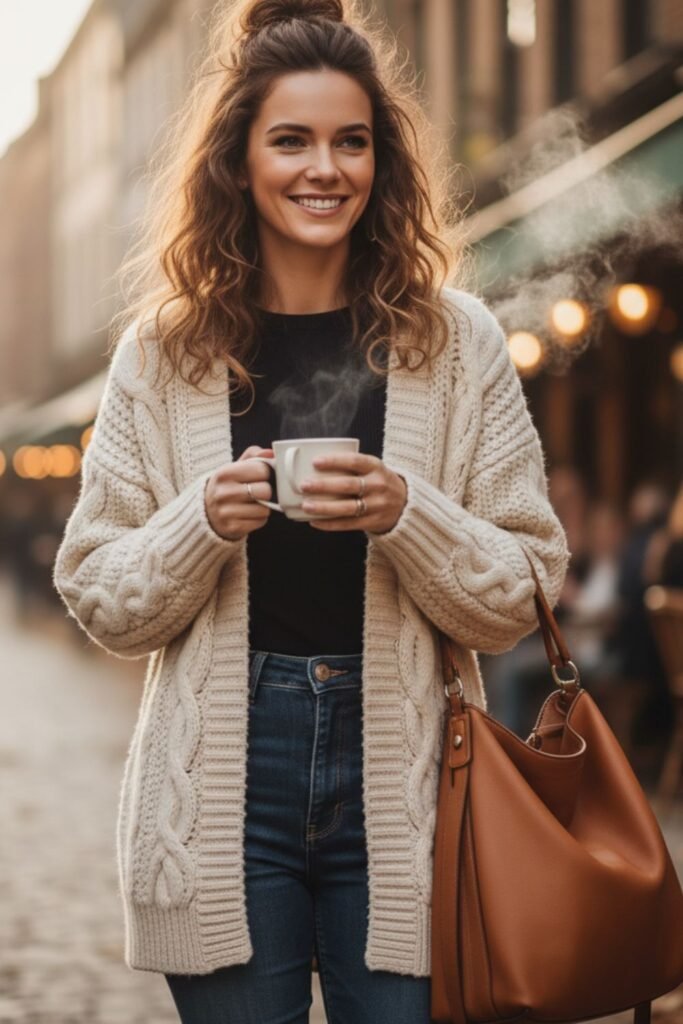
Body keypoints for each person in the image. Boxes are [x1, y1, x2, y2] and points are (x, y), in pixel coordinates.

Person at [52, 1, 570, 1021]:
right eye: (289, 139)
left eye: (351, 141)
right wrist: (199, 518)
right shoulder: (163, 353)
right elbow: (99, 591)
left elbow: (521, 591)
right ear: (238, 160)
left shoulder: (455, 341)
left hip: (415, 787)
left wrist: (404, 512)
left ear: (381, 163)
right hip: (218, 795)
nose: (321, 168)